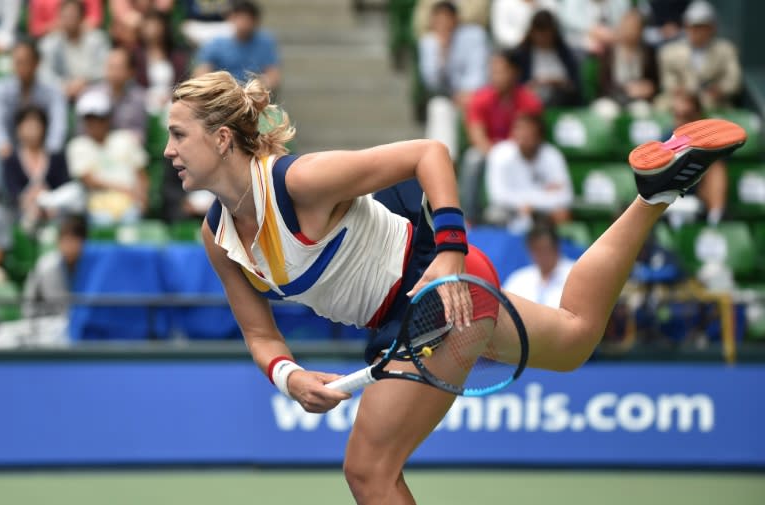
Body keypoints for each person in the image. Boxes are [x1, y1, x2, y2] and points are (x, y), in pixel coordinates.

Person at [164, 69, 746, 503]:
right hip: (411, 315)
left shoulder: (300, 182)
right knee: (572, 341)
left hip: (443, 290)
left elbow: (429, 153)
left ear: (220, 139)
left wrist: (449, 254)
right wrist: (289, 377)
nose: (167, 151)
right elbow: (258, 331)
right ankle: (654, 193)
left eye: (177, 135)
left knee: (369, 470)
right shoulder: (218, 237)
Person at [461, 49, 543, 220]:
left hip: (519, 153)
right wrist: (495, 155)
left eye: (502, 71)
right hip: (489, 152)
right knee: (472, 158)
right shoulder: (480, 98)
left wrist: (508, 155)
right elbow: (476, 135)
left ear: (515, 72)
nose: (496, 76)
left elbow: (529, 137)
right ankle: (469, 219)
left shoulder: (530, 101)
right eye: (493, 70)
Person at [67, 89, 149, 226]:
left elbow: (141, 174)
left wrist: (142, 197)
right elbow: (89, 180)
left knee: (131, 219)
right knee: (103, 221)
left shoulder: (125, 139)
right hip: (97, 206)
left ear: (108, 118)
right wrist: (125, 189)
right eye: (89, 119)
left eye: (99, 118)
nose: (94, 124)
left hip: (130, 204)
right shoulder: (77, 146)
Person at [417, 1, 489, 158]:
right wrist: (442, 51)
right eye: (438, 20)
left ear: (456, 19)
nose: (442, 24)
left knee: (475, 104)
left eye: (446, 19)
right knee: (438, 108)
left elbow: (479, 72)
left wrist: (466, 93)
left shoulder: (475, 35)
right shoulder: (428, 42)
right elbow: (431, 82)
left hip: (474, 96)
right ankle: (444, 162)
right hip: (449, 97)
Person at [484, 113, 572, 231]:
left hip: (541, 212)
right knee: (495, 214)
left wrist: (532, 206)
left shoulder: (552, 156)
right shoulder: (500, 154)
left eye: (529, 132)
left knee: (562, 214)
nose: (523, 136)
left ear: (539, 136)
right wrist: (540, 195)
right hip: (509, 210)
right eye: (519, 130)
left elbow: (565, 196)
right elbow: (498, 196)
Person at [655, 0, 741, 111]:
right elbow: (668, 80)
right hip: (680, 102)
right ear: (686, 27)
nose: (697, 32)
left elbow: (734, 80)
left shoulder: (725, 49)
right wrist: (678, 90)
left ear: (712, 28)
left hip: (714, 104)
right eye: (693, 27)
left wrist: (721, 89)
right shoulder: (670, 52)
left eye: (702, 27)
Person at [663, 91, 727, 226]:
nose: (681, 122)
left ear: (698, 115)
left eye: (687, 116)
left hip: (697, 199)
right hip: (669, 199)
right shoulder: (666, 139)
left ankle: (715, 220)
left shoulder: (709, 140)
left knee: (716, 166)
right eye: (677, 115)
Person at [0, 39, 68, 159]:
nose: (21, 67)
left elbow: (58, 125)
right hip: (9, 153)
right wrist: (3, 144)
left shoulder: (53, 90)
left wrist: (49, 152)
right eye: (17, 62)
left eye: (25, 62)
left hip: (43, 152)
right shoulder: (1, 90)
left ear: (37, 63)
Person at [3, 105, 70, 231]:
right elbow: (10, 190)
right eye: (27, 126)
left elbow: (64, 185)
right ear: (18, 129)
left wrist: (47, 197)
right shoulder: (11, 160)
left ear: (44, 128)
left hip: (54, 209)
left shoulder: (57, 158)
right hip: (20, 212)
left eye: (36, 126)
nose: (32, 131)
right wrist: (30, 196)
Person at [193, 0, 281, 90]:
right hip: (222, 94)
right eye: (240, 18)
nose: (243, 23)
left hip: (253, 95)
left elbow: (273, 76)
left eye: (247, 19)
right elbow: (201, 72)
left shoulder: (265, 43)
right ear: (231, 18)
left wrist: (257, 89)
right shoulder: (216, 42)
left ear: (256, 21)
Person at [38, 0, 110, 101]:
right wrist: (65, 85)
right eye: (65, 16)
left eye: (73, 16)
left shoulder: (97, 39)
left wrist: (84, 81)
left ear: (82, 17)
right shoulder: (50, 43)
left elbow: (105, 68)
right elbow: (45, 73)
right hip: (61, 90)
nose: (69, 20)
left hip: (91, 88)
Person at [21, 213, 87, 319]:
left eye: (75, 242)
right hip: (39, 318)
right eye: (67, 241)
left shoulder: (84, 263)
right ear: (59, 242)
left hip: (63, 319)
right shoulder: (49, 266)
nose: (70, 247)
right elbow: (60, 307)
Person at [513, 9, 582, 107]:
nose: (543, 38)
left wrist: (558, 83)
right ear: (532, 33)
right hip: (531, 104)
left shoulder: (565, 53)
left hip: (563, 103)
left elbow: (575, 85)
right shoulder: (522, 55)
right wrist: (533, 85)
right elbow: (515, 87)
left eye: (546, 34)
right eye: (539, 34)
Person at [79, 47, 148, 141]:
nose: (114, 72)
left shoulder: (139, 97)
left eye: (119, 68)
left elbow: (140, 133)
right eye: (111, 67)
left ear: (131, 71)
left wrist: (118, 139)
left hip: (125, 147)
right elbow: (81, 131)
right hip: (95, 144)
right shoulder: (91, 95)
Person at [596, 8, 659, 111]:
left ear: (641, 30)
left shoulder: (648, 52)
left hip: (638, 100)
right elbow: (603, 85)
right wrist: (627, 89)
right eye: (628, 26)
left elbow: (654, 82)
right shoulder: (609, 53)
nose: (631, 31)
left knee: (642, 110)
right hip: (611, 98)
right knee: (606, 111)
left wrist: (647, 87)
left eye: (635, 27)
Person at [502, 222, 575, 308]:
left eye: (545, 249)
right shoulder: (519, 278)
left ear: (556, 247)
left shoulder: (575, 275)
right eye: (536, 250)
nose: (541, 255)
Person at [134, 10, 191, 114]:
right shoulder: (136, 55)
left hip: (171, 99)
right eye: (148, 25)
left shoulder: (176, 55)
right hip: (142, 100)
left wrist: (170, 96)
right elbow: (133, 84)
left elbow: (183, 82)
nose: (152, 29)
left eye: (156, 25)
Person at [490, 0, 559, 50]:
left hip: (546, 51)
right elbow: (501, 35)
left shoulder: (549, 3)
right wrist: (525, 40)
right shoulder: (502, 3)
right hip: (514, 54)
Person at [28, 0, 103, 39]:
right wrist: (58, 27)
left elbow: (95, 20)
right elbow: (35, 29)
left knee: (97, 38)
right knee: (49, 45)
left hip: (83, 36)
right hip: (53, 38)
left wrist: (73, 27)